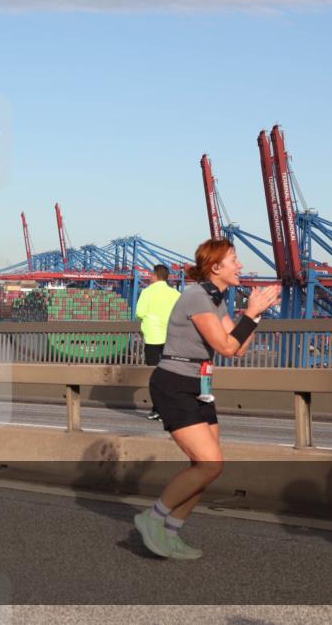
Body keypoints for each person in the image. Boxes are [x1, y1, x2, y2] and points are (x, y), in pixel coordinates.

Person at [134, 238, 279, 560]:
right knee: (211, 463)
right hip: (173, 384)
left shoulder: (217, 300)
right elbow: (226, 347)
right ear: (216, 267)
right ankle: (152, 519)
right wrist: (251, 313)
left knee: (207, 467)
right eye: (234, 259)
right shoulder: (196, 296)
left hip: (198, 385)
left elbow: (238, 348)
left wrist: (255, 317)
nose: (240, 265)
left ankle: (170, 533)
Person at [136, 264, 181, 421]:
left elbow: (139, 313)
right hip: (172, 338)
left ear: (155, 276)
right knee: (170, 374)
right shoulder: (175, 293)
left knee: (154, 375)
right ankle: (170, 408)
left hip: (153, 338)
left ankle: (157, 410)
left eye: (151, 275)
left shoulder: (147, 292)